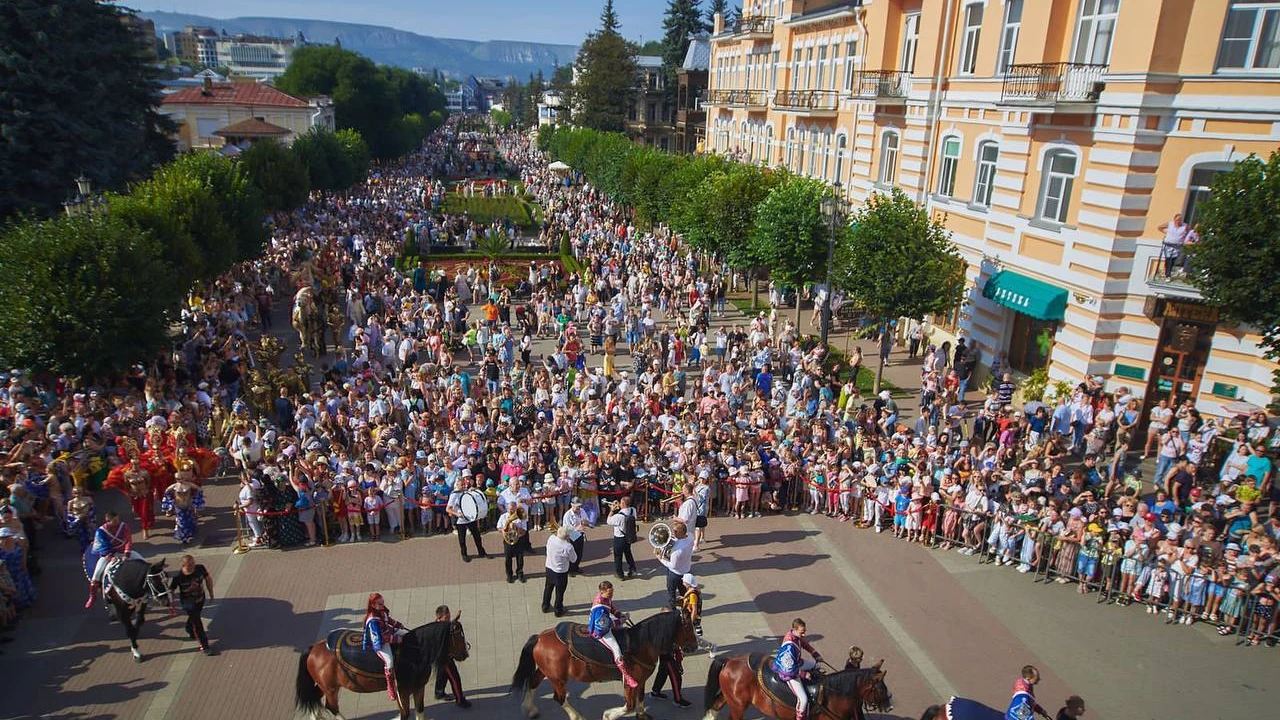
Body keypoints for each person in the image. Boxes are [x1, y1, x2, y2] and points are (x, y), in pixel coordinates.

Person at [85, 511, 143, 609]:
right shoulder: (101, 531)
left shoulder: (124, 526)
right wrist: (111, 557)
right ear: (108, 521)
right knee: (97, 574)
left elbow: (128, 540)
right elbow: (103, 546)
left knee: (143, 563)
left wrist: (127, 553)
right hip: (108, 555)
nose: (118, 522)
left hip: (123, 552)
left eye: (118, 519)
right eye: (115, 521)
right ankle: (92, 596)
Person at [587, 580, 638, 688]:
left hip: (605, 621)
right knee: (616, 649)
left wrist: (620, 615)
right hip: (600, 631)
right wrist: (621, 621)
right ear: (602, 592)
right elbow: (604, 626)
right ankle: (626, 676)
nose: (612, 595)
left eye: (612, 592)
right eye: (610, 593)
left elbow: (611, 607)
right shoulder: (599, 607)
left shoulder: (606, 598)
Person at [773, 618, 825, 720]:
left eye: (804, 632)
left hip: (797, 663)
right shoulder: (789, 646)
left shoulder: (796, 636)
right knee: (803, 699)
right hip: (788, 673)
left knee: (818, 666)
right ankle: (799, 717)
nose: (804, 635)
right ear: (794, 629)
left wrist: (815, 655)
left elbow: (804, 644)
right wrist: (804, 675)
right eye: (802, 632)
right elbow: (788, 669)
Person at [363, 592, 408, 701]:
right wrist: (397, 639)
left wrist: (398, 624)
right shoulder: (373, 621)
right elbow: (381, 637)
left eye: (383, 603)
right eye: (380, 604)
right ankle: (390, 686)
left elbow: (388, 619)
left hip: (388, 632)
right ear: (373, 605)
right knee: (389, 661)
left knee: (408, 636)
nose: (383, 605)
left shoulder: (381, 610)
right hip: (379, 642)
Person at [169, 554, 215, 655]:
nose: (193, 566)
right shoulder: (178, 577)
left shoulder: (200, 568)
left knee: (195, 617)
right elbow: (171, 591)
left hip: (200, 599)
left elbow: (208, 579)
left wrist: (211, 592)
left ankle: (189, 627)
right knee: (198, 624)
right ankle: (204, 645)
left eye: (193, 563)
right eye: (190, 565)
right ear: (184, 565)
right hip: (188, 603)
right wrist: (170, 604)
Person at [432, 604, 471, 708]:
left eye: (449, 617)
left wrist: (456, 618)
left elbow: (451, 625)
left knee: (442, 674)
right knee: (454, 678)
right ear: (439, 618)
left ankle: (439, 692)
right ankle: (460, 700)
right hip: (444, 657)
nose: (448, 620)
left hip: (442, 656)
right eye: (446, 618)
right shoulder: (438, 630)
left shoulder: (442, 625)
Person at [447, 476, 488, 562]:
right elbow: (448, 509)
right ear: (457, 485)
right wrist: (457, 514)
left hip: (470, 518)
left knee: (477, 536)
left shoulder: (466, 491)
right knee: (462, 539)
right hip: (461, 520)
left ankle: (481, 551)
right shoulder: (454, 494)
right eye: (461, 485)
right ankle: (464, 554)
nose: (463, 486)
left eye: (464, 484)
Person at [657, 520, 694, 608]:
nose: (673, 533)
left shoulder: (677, 550)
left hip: (675, 574)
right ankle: (687, 609)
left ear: (681, 533)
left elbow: (672, 565)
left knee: (672, 593)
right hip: (686, 570)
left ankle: (673, 612)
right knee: (684, 593)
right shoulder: (691, 537)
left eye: (676, 531)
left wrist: (660, 558)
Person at [543, 525, 577, 617]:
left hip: (549, 567)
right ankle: (558, 610)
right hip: (560, 572)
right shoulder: (568, 546)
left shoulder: (551, 538)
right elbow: (573, 559)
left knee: (548, 588)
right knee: (559, 592)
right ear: (566, 537)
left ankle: (545, 606)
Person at [606, 496, 637, 580]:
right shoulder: (633, 510)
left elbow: (608, 521)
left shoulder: (618, 516)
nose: (619, 504)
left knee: (618, 556)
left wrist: (612, 510)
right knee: (628, 553)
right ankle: (632, 569)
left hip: (619, 538)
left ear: (623, 504)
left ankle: (620, 574)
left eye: (620, 502)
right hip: (629, 537)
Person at [499, 503, 528, 583]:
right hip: (508, 540)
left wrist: (516, 527)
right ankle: (509, 575)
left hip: (519, 540)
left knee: (520, 558)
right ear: (507, 509)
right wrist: (504, 529)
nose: (511, 511)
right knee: (508, 558)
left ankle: (520, 574)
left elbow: (524, 531)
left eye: (513, 509)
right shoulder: (503, 517)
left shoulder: (521, 517)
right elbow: (499, 527)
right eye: (510, 509)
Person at [562, 496, 587, 574]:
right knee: (572, 552)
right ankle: (569, 569)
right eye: (577, 506)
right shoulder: (567, 515)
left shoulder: (582, 511)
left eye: (579, 506)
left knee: (579, 552)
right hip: (571, 535)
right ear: (572, 505)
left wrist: (585, 523)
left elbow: (586, 520)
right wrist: (577, 529)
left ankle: (576, 567)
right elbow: (566, 529)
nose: (579, 508)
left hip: (580, 534)